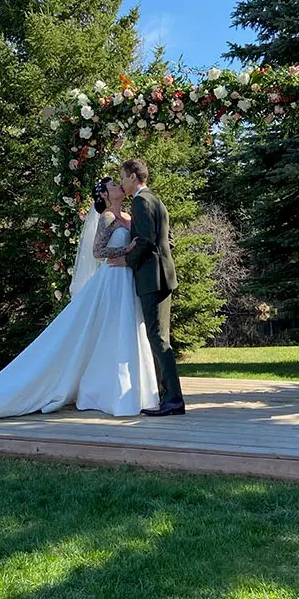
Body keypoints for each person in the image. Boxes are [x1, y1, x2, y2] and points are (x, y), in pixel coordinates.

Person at [0, 178, 159, 424]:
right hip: (112, 279)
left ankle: (128, 390)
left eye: (119, 183)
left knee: (126, 329)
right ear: (105, 194)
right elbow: (98, 252)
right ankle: (109, 392)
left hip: (128, 279)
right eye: (114, 185)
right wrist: (125, 251)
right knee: (112, 330)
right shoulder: (106, 218)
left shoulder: (128, 216)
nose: (119, 187)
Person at [121, 158, 185, 416]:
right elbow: (167, 238)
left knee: (159, 339)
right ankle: (166, 396)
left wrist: (127, 260)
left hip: (153, 277)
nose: (122, 183)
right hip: (161, 275)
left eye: (123, 177)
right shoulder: (155, 200)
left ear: (134, 176)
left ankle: (173, 399)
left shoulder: (141, 201)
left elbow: (146, 240)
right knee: (158, 338)